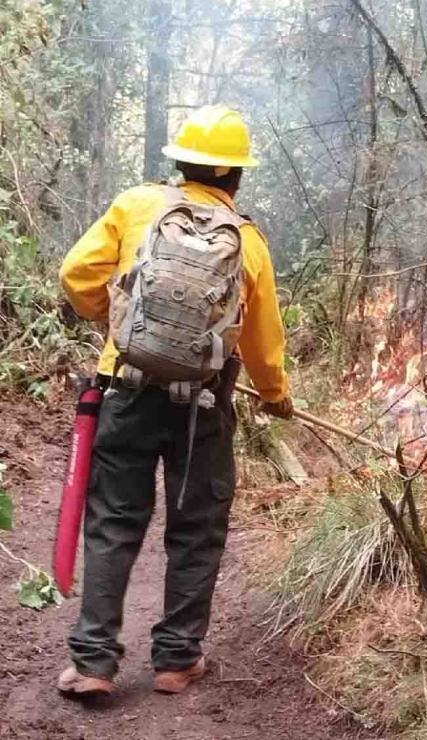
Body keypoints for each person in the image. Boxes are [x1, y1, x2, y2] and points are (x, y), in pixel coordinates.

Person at [57, 105, 293, 697]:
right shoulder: (249, 242)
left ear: (179, 163)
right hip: (204, 407)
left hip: (128, 388)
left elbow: (77, 274)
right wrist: (274, 394)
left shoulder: (136, 207)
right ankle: (176, 660)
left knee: (113, 521)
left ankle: (93, 664)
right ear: (236, 177)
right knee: (196, 526)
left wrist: (116, 325)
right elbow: (263, 340)